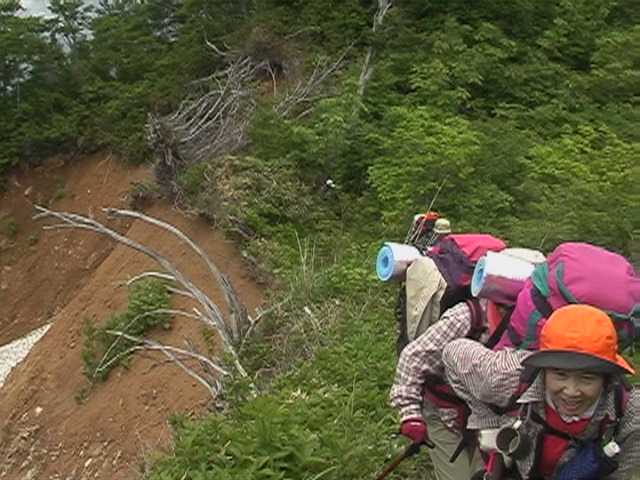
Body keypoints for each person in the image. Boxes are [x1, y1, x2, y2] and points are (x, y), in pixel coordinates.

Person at [442, 304, 640, 479]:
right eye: (560, 374)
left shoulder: (630, 414)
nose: (571, 391)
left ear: (606, 378)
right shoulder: (506, 376)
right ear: (543, 370)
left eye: (587, 378)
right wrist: (488, 421)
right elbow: (453, 353)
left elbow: (617, 473)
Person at [390, 299, 500, 479]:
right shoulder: (465, 318)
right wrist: (410, 414)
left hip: (486, 417)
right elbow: (412, 357)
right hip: (443, 415)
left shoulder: (527, 323)